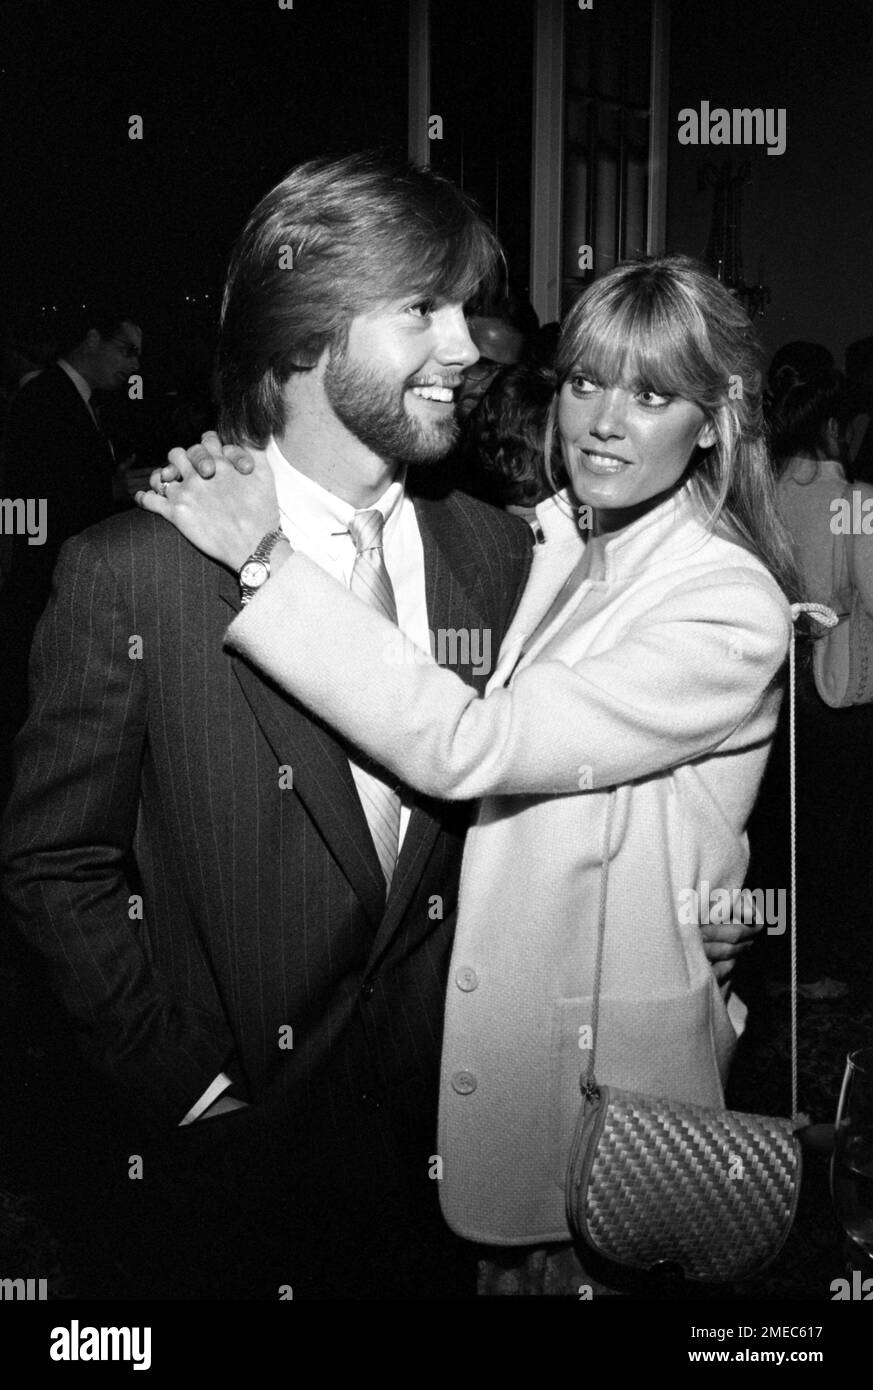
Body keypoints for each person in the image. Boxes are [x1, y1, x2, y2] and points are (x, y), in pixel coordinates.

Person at [139, 254, 795, 1294]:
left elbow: (473, 746)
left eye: (654, 394)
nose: (605, 422)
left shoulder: (725, 601)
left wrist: (266, 562)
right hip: (496, 1079)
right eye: (584, 382)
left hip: (604, 1102)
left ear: (714, 421)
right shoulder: (557, 542)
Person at [0, 153, 535, 1300]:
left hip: (448, 1145)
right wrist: (184, 1091)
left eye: (466, 311)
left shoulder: (497, 554)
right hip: (230, 1177)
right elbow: (54, 863)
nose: (469, 347)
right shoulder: (129, 575)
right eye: (423, 312)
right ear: (304, 336)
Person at [753, 362, 873, 997]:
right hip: (836, 687)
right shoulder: (854, 503)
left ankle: (772, 964)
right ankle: (812, 968)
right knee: (830, 835)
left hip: (771, 683)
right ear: (831, 427)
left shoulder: (767, 493)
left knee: (777, 827)